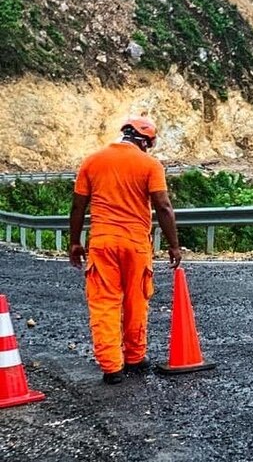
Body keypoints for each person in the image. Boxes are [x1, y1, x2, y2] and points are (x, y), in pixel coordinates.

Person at [68, 116, 182, 384]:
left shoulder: (92, 161)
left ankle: (112, 368)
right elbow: (163, 207)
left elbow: (77, 207)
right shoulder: (150, 164)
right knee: (136, 300)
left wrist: (75, 242)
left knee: (104, 303)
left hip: (102, 243)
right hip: (135, 245)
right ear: (146, 142)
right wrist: (174, 245)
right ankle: (135, 358)